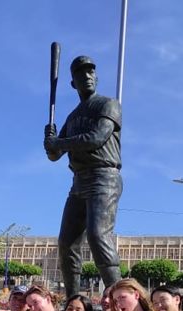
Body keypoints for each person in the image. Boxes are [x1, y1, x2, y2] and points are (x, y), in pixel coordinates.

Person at [44, 55, 122, 296]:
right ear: (73, 83)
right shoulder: (72, 117)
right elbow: (55, 155)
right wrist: (50, 142)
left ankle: (121, 298)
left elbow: (95, 139)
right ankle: (73, 300)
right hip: (79, 180)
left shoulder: (108, 104)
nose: (86, 77)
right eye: (80, 75)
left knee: (99, 236)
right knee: (67, 242)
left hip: (104, 177)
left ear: (96, 78)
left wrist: (60, 142)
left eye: (90, 73)